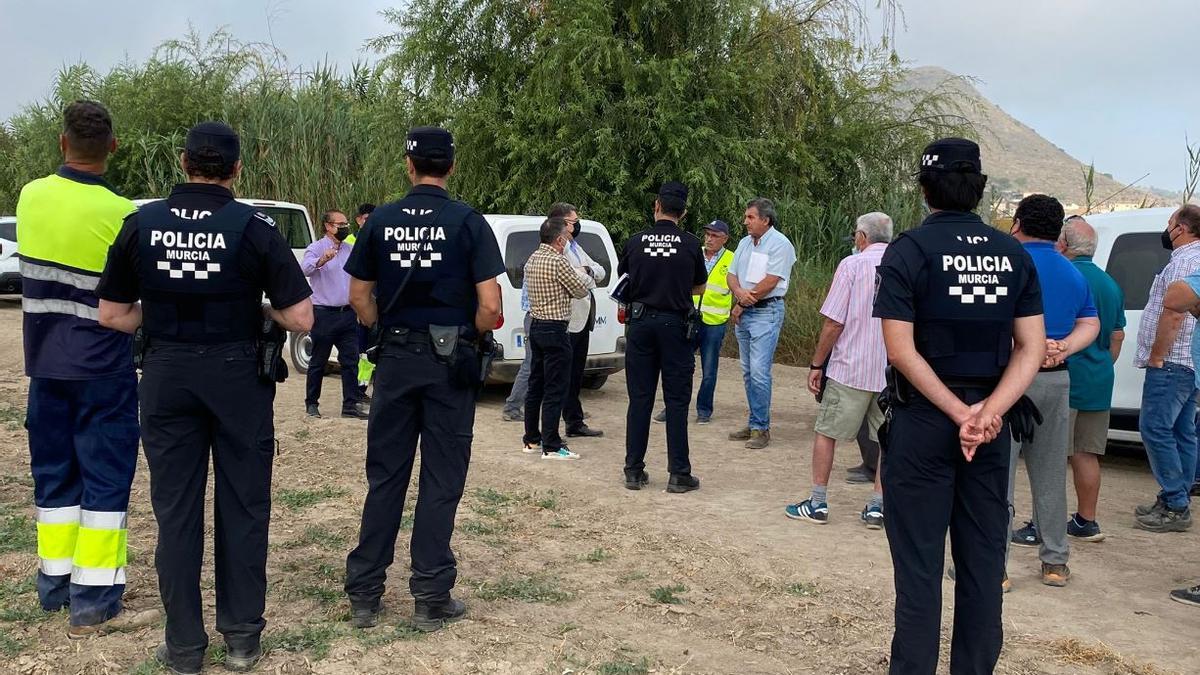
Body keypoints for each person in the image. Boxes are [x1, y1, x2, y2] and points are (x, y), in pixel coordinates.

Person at [97, 121, 314, 673]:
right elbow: (300, 316)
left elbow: (114, 315)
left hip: (167, 374)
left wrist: (165, 316)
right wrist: (256, 311)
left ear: (182, 162)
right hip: (238, 376)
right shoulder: (253, 227)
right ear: (237, 169)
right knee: (243, 506)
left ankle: (186, 647)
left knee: (175, 513)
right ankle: (241, 638)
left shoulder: (140, 224)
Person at [874, 138, 1045, 674]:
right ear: (980, 189)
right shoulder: (1013, 253)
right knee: (982, 568)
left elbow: (900, 348)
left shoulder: (908, 250)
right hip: (992, 433)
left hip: (925, 424)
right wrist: (987, 413)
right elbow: (1032, 348)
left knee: (920, 572)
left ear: (924, 189)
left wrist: (957, 412)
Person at [342, 126, 504, 632]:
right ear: (450, 168)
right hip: (448, 363)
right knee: (441, 478)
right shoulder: (467, 223)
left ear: (408, 166)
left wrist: (384, 330)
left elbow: (358, 296)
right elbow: (491, 306)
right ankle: (431, 595)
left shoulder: (382, 220)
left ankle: (366, 595)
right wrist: (464, 335)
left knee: (386, 475)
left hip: (394, 358)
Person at [16, 100, 156, 638]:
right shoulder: (124, 216)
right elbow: (130, 302)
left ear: (61, 142)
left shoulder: (30, 196)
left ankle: (53, 587)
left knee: (54, 479)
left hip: (44, 367)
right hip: (103, 371)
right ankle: (93, 599)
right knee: (104, 480)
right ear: (113, 148)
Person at [1004, 195, 1099, 589]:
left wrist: (1027, 350)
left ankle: (996, 568)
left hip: (1009, 380)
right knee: (1049, 473)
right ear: (1058, 231)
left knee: (998, 475)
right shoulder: (1073, 272)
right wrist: (1063, 347)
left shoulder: (1007, 263)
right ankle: (1055, 562)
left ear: (1017, 223)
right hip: (1057, 379)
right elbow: (1090, 323)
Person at [786, 212, 892, 529]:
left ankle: (817, 502)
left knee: (827, 432)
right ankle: (878, 506)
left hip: (851, 369)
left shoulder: (852, 264)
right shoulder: (906, 263)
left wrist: (818, 363)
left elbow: (834, 322)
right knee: (890, 440)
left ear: (862, 236)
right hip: (892, 372)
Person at [620, 182, 708, 492]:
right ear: (682, 212)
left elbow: (624, 281)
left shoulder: (635, 242)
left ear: (656, 206)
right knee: (676, 401)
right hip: (675, 327)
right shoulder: (690, 244)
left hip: (641, 325)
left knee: (640, 398)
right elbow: (700, 287)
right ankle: (678, 474)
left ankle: (633, 470)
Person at [1132, 204, 1200, 532]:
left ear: (1181, 229)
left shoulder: (1185, 262)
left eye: (1170, 223)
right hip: (1189, 363)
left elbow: (1173, 313)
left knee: (1155, 428)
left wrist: (1157, 355)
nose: (1167, 229)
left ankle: (1175, 502)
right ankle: (1178, 495)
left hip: (1172, 362)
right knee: (1182, 431)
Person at [1058, 216, 1125, 542]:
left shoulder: (1066, 277)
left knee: (1052, 456)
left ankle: (1046, 525)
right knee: (1087, 453)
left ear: (1064, 244)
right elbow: (1117, 335)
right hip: (1100, 380)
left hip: (1067, 378)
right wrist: (1103, 363)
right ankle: (1086, 521)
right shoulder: (1110, 283)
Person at [521, 216, 595, 459]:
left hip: (536, 325)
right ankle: (551, 445)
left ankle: (532, 438)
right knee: (556, 388)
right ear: (559, 239)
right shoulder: (557, 261)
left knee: (536, 384)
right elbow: (580, 288)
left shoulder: (533, 258)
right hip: (555, 328)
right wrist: (587, 273)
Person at [727, 197, 797, 449]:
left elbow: (771, 280)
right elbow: (731, 274)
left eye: (750, 217)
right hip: (745, 313)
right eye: (746, 217)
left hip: (766, 312)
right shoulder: (745, 243)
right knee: (748, 372)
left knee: (759, 372)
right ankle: (755, 420)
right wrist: (738, 294)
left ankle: (761, 428)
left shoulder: (780, 244)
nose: (745, 222)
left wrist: (744, 302)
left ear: (765, 220)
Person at [653, 219, 735, 424]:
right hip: (687, 317)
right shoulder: (692, 252)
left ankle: (704, 410)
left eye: (715, 235)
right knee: (679, 366)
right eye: (707, 234)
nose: (709, 239)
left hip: (714, 322)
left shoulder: (732, 259)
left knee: (709, 369)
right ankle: (671, 406)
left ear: (725, 239)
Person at [301, 209, 368, 419]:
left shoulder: (350, 249)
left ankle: (350, 405)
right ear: (328, 226)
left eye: (346, 224)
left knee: (350, 361)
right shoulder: (316, 248)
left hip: (347, 314)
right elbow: (304, 269)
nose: (344, 227)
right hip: (323, 315)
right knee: (318, 361)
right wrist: (322, 260)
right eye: (340, 224)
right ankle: (312, 403)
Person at [558, 202, 607, 438]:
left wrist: (588, 272)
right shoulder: (557, 248)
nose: (577, 225)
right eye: (573, 222)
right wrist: (588, 273)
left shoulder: (576, 246)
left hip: (583, 317)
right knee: (565, 373)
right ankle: (570, 420)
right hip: (568, 318)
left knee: (576, 372)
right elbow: (578, 279)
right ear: (561, 223)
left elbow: (600, 270)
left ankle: (574, 420)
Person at [350, 203, 376, 400]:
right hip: (358, 308)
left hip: (374, 305)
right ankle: (357, 389)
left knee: (371, 352)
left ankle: (363, 386)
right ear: (358, 219)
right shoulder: (350, 242)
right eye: (366, 219)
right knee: (359, 352)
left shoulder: (377, 240)